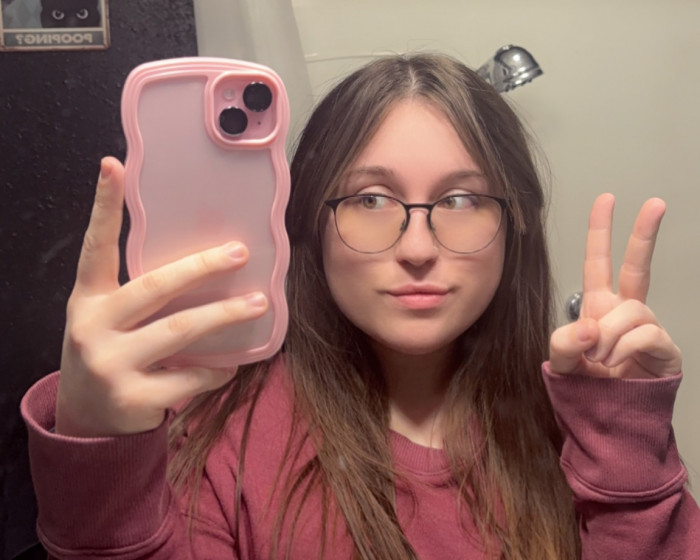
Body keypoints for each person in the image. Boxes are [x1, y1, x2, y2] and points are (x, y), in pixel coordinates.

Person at [21, 53, 700, 559]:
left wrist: (628, 453)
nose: (417, 248)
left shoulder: (581, 432)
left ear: (514, 223)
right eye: (370, 199)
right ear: (308, 223)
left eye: (460, 200)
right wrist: (98, 457)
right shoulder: (223, 442)